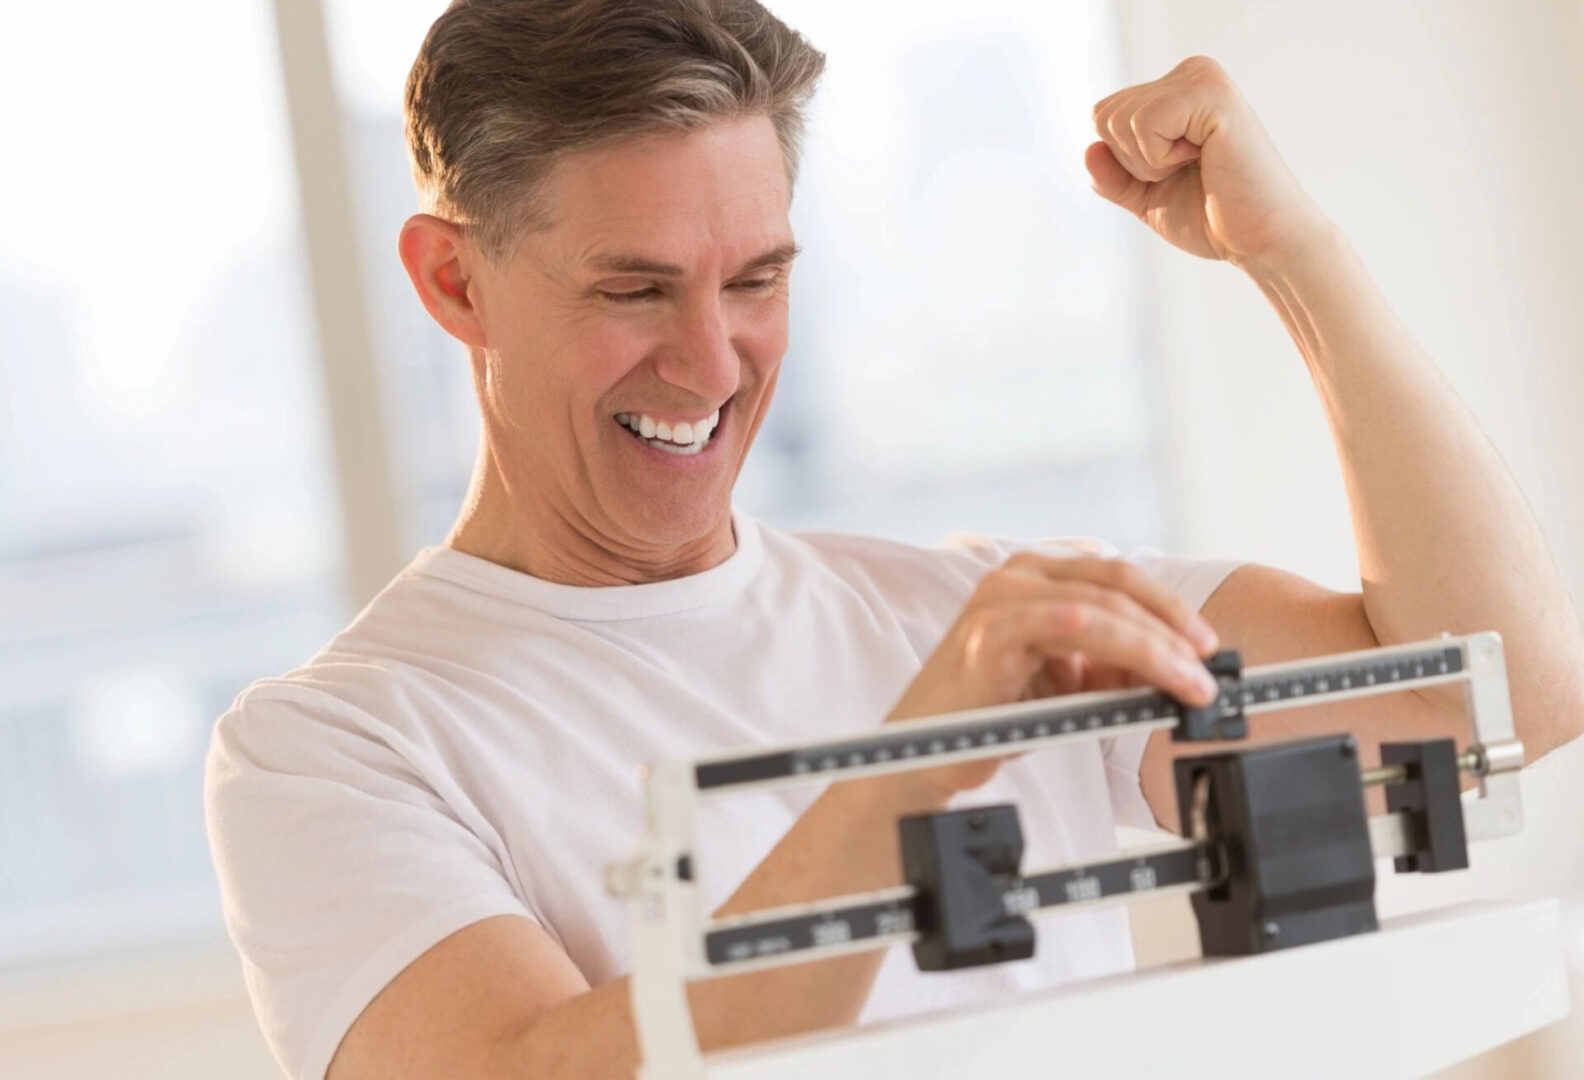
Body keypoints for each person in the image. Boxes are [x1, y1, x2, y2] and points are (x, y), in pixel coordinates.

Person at [203, 1, 1584, 1077]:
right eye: (633, 290)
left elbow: (1496, 698)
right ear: (455, 281)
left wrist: (1295, 251)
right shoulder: (337, 747)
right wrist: (921, 760)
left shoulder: (979, 614)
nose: (709, 364)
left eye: (755, 281)